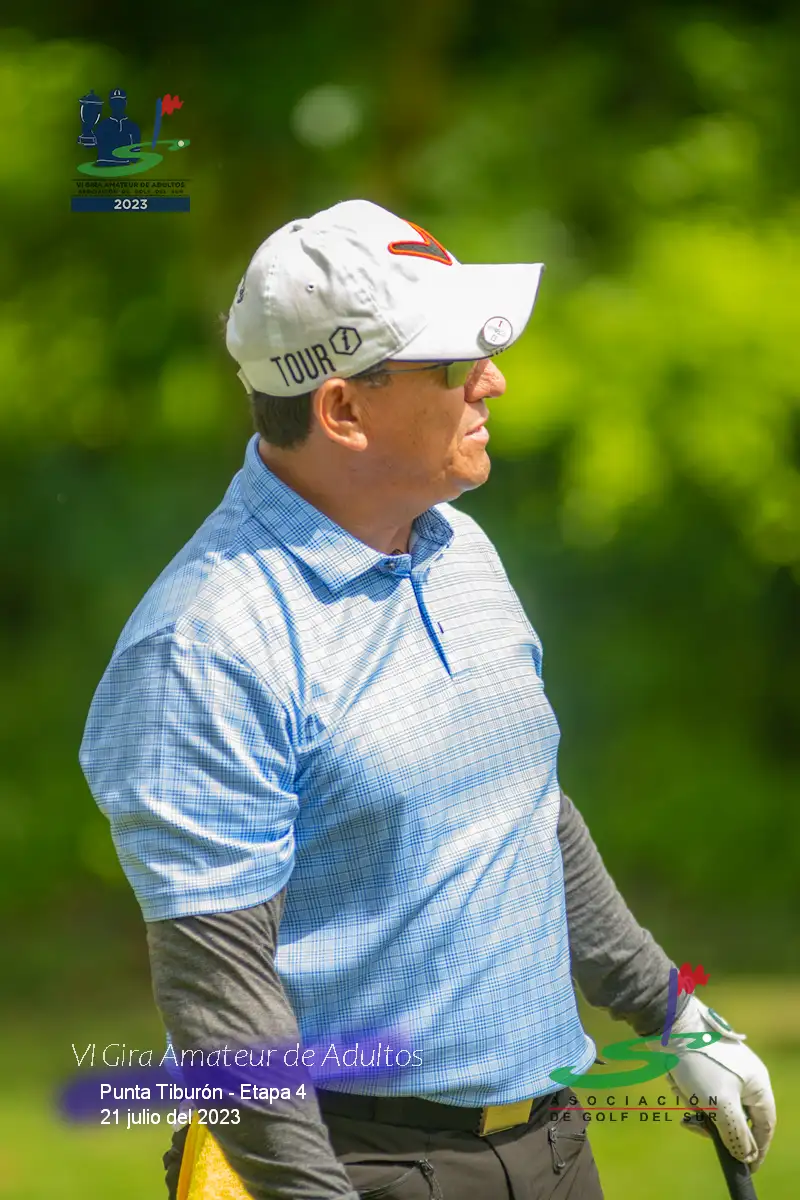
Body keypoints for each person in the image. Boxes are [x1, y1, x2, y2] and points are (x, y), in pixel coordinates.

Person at [79, 199, 776, 1200]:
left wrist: (671, 1013)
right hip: (351, 1163)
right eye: (453, 363)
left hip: (553, 1141)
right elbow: (222, 1006)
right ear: (342, 411)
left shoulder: (456, 544)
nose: (492, 380)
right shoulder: (204, 644)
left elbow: (520, 808)